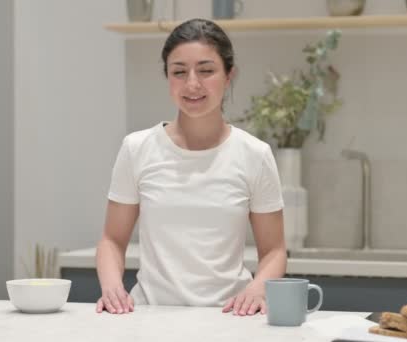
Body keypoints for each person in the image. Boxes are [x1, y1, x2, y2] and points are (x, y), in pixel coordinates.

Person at [95, 18, 286, 316]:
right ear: (167, 76)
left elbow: (274, 251)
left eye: (207, 70)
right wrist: (112, 288)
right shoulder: (137, 149)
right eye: (179, 72)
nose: (192, 84)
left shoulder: (254, 154)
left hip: (230, 318)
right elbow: (112, 240)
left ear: (229, 75)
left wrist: (257, 289)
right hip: (149, 318)